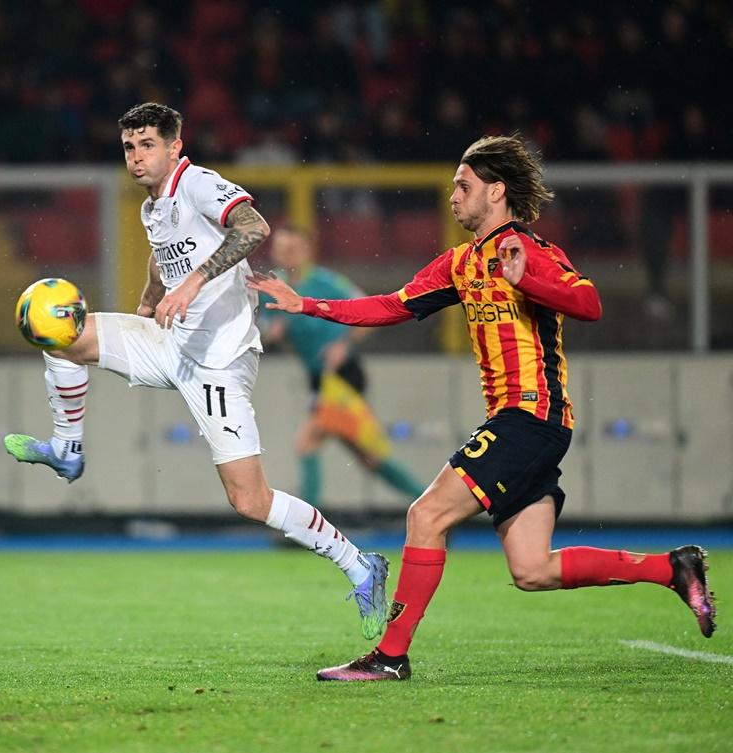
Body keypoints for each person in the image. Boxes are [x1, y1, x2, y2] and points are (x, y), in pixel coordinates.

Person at [249, 135, 716, 681]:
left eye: (462, 186)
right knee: (531, 568)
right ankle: (673, 568)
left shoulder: (529, 250)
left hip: (529, 417)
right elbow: (391, 306)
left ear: (495, 191)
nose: (452, 196)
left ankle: (390, 656)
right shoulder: (461, 263)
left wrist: (530, 279)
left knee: (425, 515)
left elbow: (589, 302)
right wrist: (308, 305)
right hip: (529, 425)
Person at [3, 102, 391, 639]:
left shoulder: (198, 183)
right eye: (129, 148)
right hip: (169, 341)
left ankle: (358, 563)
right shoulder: (154, 205)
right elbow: (165, 255)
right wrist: (147, 300)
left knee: (249, 500)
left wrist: (192, 284)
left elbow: (254, 228)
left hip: (219, 362)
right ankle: (68, 449)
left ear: (174, 147)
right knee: (60, 333)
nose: (136, 158)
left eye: (147, 146)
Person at [259, 225, 426, 506]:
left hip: (342, 375)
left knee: (307, 442)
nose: (285, 256)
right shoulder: (275, 290)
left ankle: (308, 526)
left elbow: (368, 310)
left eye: (291, 249)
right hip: (320, 379)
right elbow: (267, 329)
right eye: (280, 250)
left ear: (306, 252)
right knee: (370, 457)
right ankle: (428, 504)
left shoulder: (325, 282)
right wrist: (272, 332)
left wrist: (343, 344)